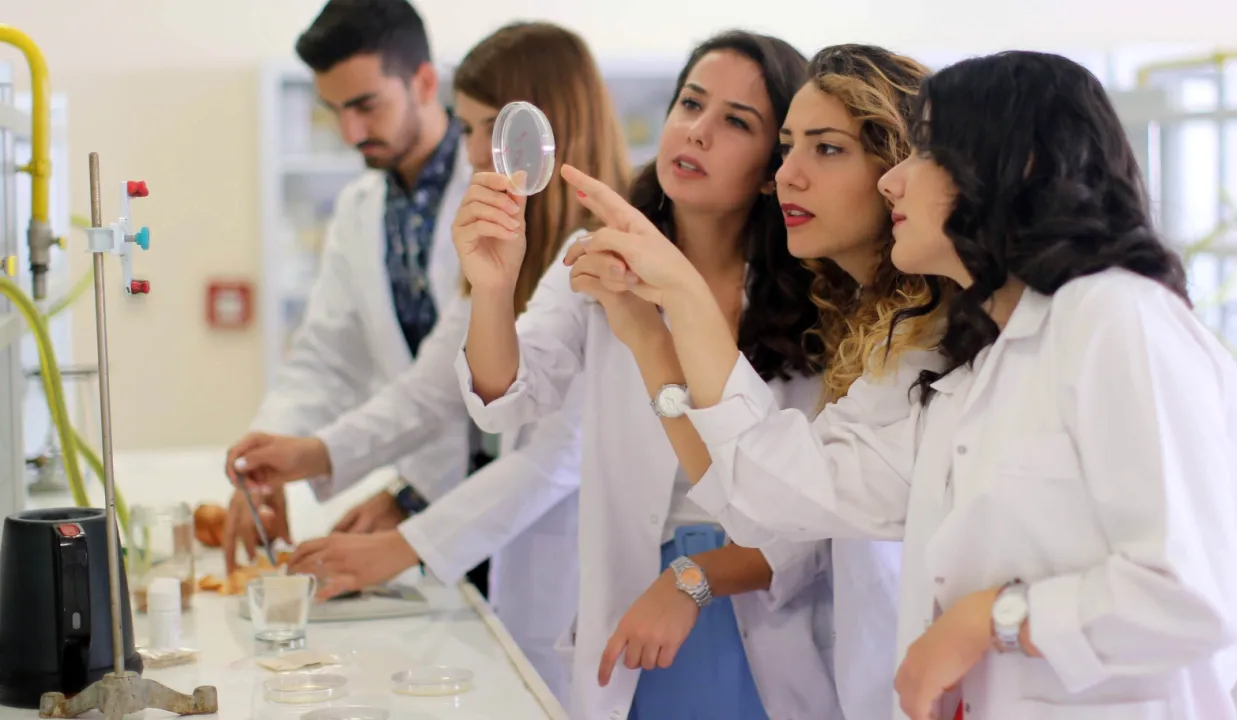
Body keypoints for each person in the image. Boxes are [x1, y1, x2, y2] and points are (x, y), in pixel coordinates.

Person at [572, 50, 1237, 720]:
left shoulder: (1117, 315)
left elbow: (1188, 593)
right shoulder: (979, 370)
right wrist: (668, 315)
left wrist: (989, 620)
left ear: (1015, 167)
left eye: (924, 151)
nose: (894, 181)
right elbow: (775, 493)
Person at [223, 21, 632, 703]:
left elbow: (557, 451)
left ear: (544, 129)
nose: (472, 151)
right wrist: (308, 454)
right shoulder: (513, 243)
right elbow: (442, 383)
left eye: (484, 129)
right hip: (481, 537)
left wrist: (408, 539)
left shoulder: (597, 253)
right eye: (468, 129)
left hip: (567, 557)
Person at [454, 30, 843, 720]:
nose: (697, 131)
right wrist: (493, 288)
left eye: (736, 122)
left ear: (772, 168)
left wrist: (693, 578)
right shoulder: (596, 257)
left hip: (758, 599)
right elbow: (505, 397)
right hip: (634, 605)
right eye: (690, 103)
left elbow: (812, 518)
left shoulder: (816, 293)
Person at [563, 43, 947, 719]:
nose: (786, 175)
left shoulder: (930, 338)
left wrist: (679, 300)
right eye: (789, 147)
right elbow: (756, 497)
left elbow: (773, 503)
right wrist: (647, 331)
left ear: (896, 169)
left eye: (827, 149)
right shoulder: (863, 324)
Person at [221, 0, 475, 584]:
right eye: (334, 111)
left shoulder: (491, 190)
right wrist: (268, 455)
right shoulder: (360, 208)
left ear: (425, 82)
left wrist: (321, 460)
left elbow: (452, 382)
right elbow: (326, 356)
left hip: (503, 507)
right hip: (423, 500)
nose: (350, 133)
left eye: (365, 106)